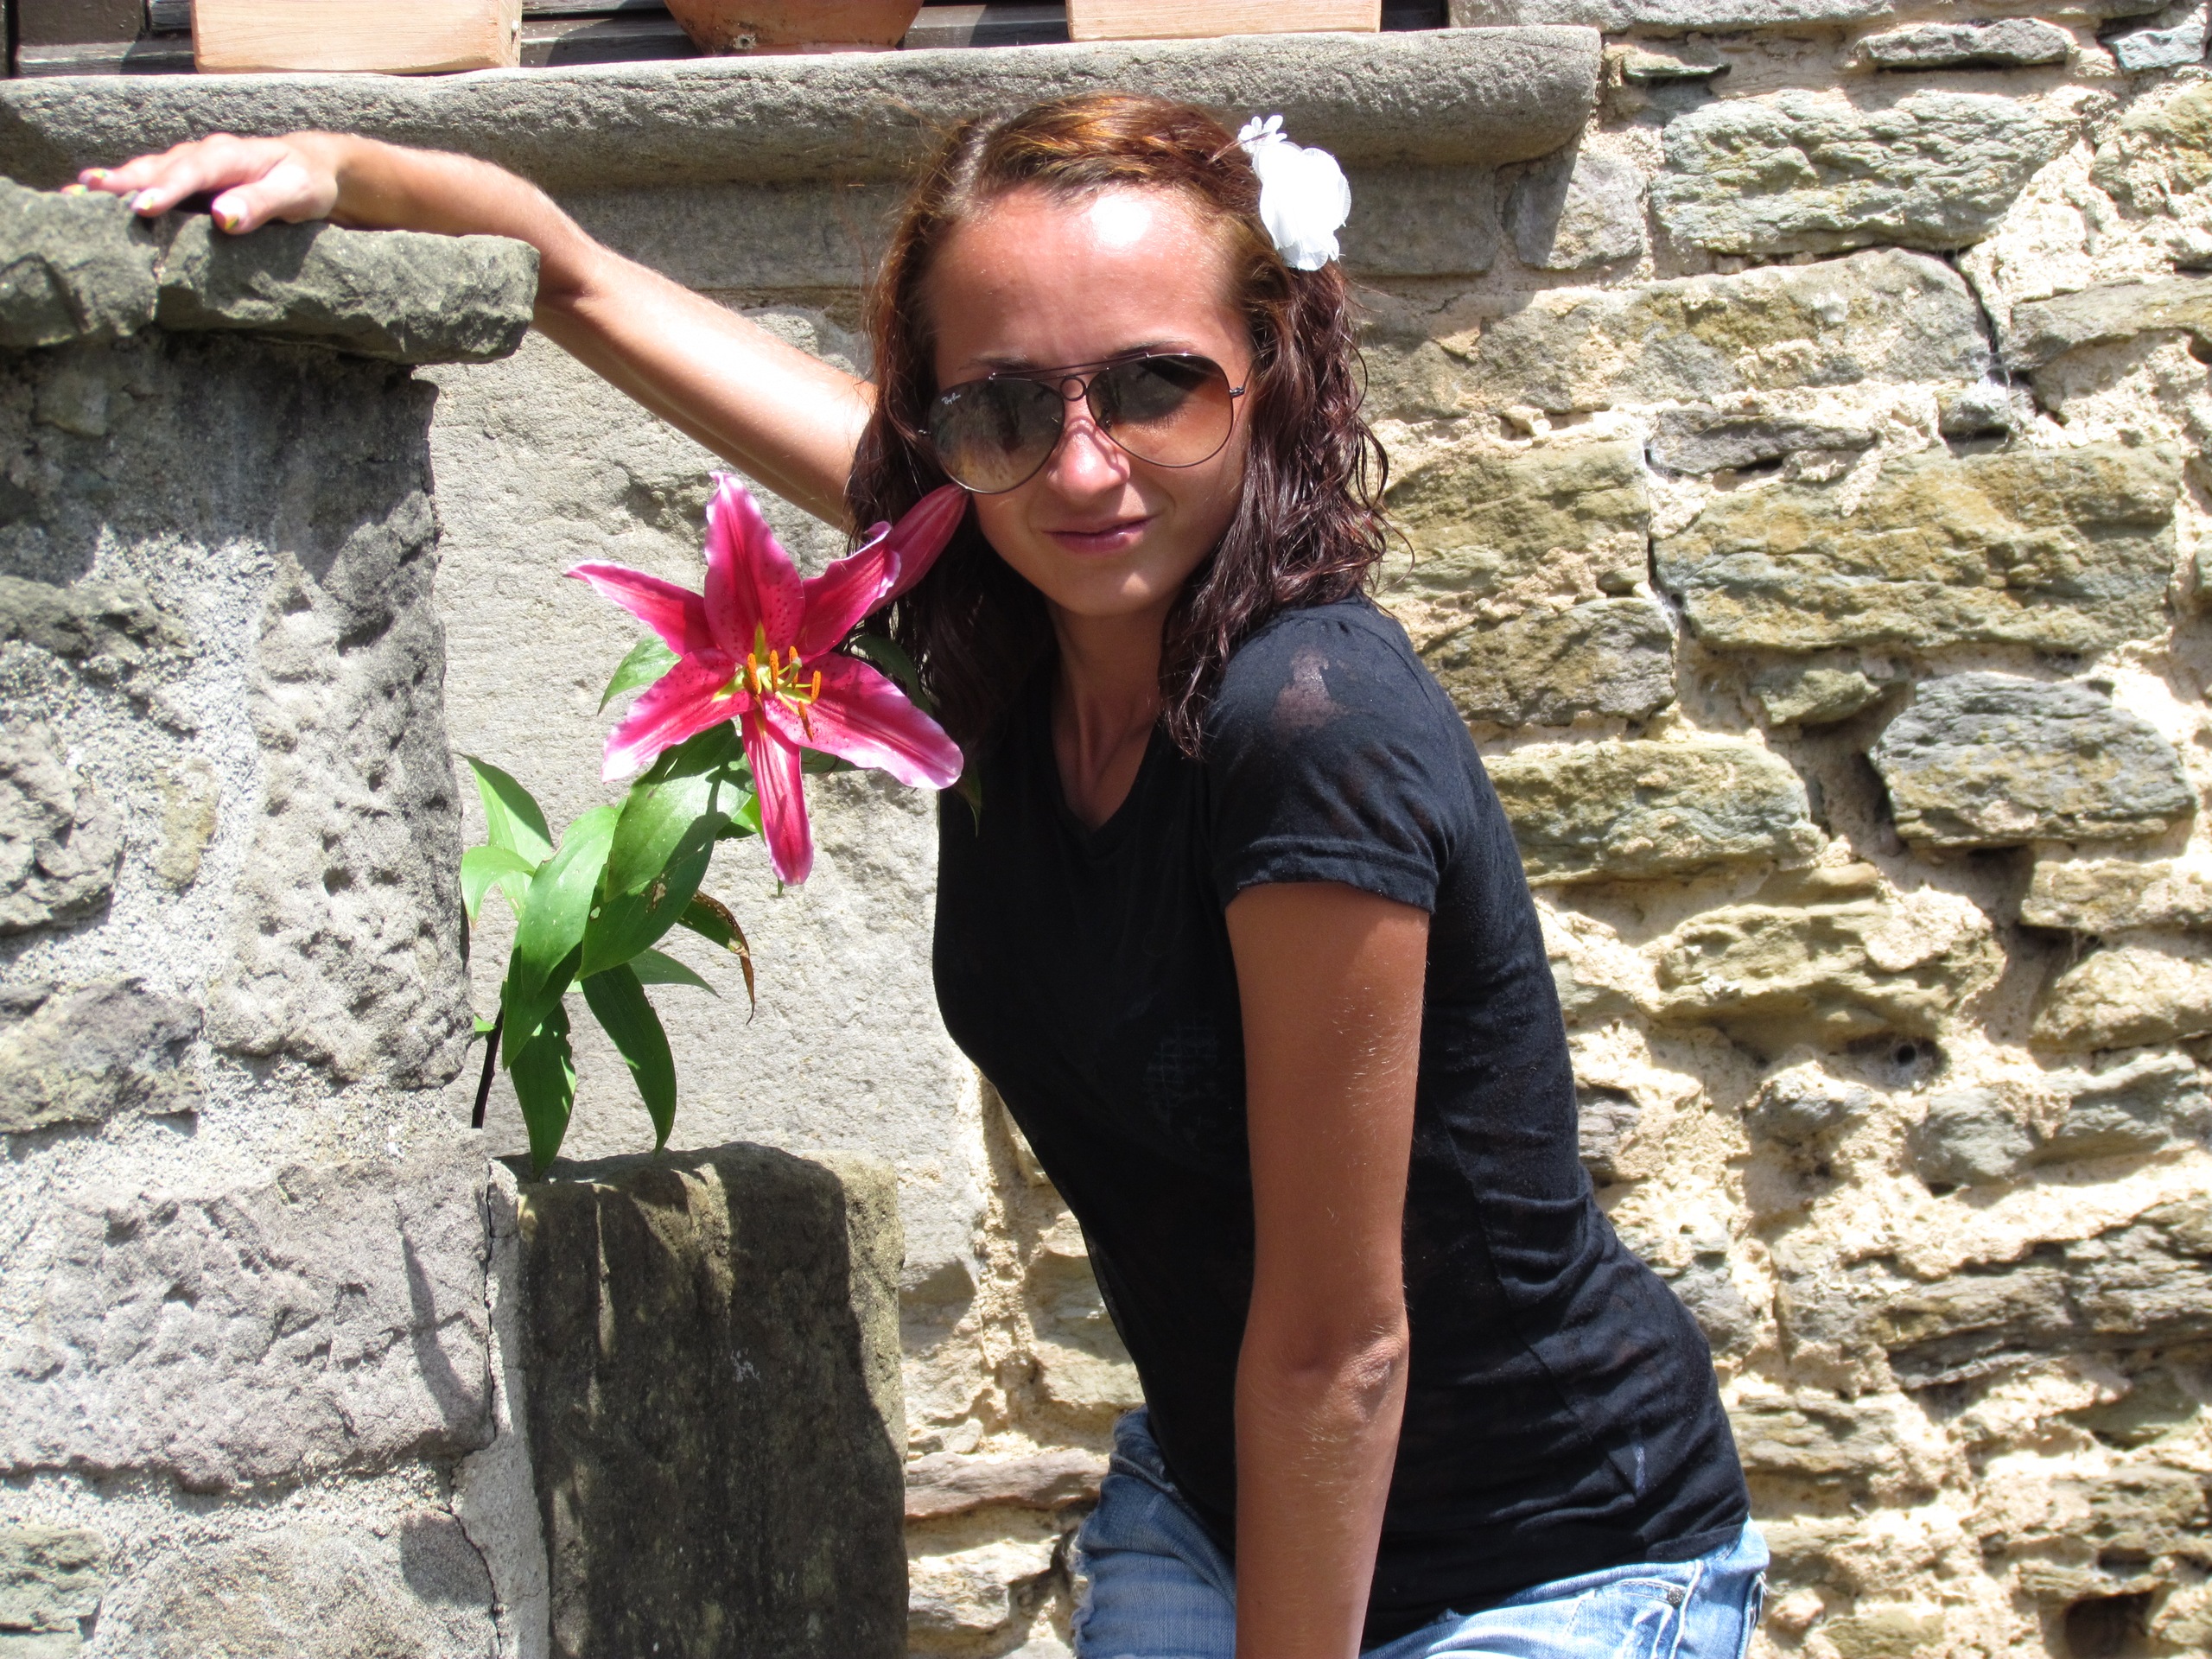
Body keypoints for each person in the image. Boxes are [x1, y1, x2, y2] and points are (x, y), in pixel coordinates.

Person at [86, 92, 1763, 1659]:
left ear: (1272, 367)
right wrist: (338, 165)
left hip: (1539, 1557)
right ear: (941, 425)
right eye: (1005, 408)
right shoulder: (998, 602)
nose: (1082, 467)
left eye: (1158, 386)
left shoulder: (1309, 729)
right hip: (1225, 1501)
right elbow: (576, 275)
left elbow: (1342, 1348)